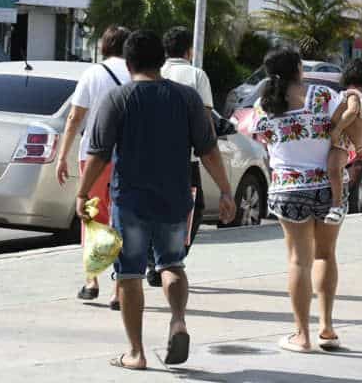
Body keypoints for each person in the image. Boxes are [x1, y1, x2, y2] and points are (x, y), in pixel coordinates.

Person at [76, 30, 236, 370]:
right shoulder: (187, 98)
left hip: (129, 200)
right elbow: (208, 150)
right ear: (161, 61)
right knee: (172, 264)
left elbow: (99, 155)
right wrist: (224, 190)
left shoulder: (117, 99)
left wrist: (83, 191)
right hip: (176, 197)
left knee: (130, 274)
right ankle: (178, 320)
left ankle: (136, 352)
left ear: (129, 62)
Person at [248, 47, 345, 353]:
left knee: (298, 261)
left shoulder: (263, 105)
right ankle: (327, 329)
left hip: (288, 188)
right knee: (326, 255)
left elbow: (263, 141)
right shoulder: (325, 96)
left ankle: (301, 336)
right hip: (328, 186)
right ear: (299, 69)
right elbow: (343, 126)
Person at [56, 25, 131, 307]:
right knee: (123, 221)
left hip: (93, 156)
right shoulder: (136, 73)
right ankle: (119, 289)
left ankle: (92, 281)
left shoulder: (93, 74)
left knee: (93, 218)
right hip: (128, 156)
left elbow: (75, 117)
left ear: (104, 46)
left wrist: (63, 155)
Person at [143, 26, 215, 287]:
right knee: (193, 209)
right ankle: (169, 260)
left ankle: (153, 261)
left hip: (150, 154)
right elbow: (205, 117)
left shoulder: (155, 72)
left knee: (153, 209)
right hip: (185, 158)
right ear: (189, 50)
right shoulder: (196, 75)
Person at [326, 59, 362, 225]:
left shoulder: (353, 94)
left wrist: (337, 129)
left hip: (343, 141)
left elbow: (351, 112)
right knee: (337, 168)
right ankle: (342, 176)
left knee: (332, 168)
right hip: (354, 146)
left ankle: (336, 206)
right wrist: (360, 145)